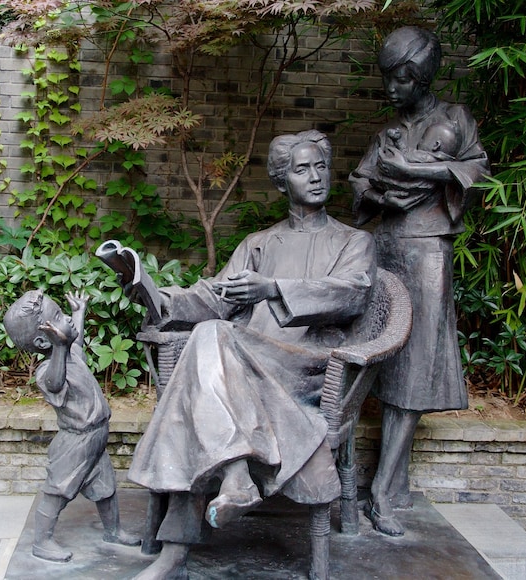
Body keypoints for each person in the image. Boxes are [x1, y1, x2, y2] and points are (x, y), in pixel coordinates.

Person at [128, 130, 377, 579]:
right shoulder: (259, 244)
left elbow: (351, 295)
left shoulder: (353, 242)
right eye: (302, 169)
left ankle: (177, 548)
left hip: (305, 366)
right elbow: (216, 297)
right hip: (244, 363)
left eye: (320, 166)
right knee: (208, 344)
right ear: (282, 182)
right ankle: (233, 479)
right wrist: (160, 298)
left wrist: (273, 288)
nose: (315, 176)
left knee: (210, 343)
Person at [348, 26, 490, 537]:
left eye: (404, 79)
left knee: (414, 370)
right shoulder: (386, 134)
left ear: (424, 76)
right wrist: (382, 196)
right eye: (389, 78)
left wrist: (420, 171)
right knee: (379, 361)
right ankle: (394, 485)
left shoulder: (454, 120)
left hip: (429, 252)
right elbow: (359, 188)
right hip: (385, 250)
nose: (394, 89)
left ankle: (383, 494)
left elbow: (477, 170)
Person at [3, 290, 140, 562]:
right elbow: (56, 383)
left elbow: (75, 341)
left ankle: (113, 531)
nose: (65, 318)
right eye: (58, 317)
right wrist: (61, 347)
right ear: (44, 340)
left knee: (106, 487)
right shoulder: (47, 372)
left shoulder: (72, 354)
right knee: (57, 491)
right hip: (75, 442)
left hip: (96, 437)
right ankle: (42, 541)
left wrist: (79, 311)